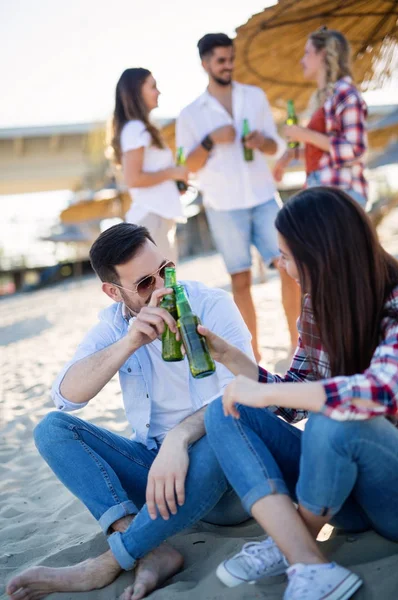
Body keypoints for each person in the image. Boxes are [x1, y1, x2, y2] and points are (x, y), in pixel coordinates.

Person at [6, 223, 254, 600]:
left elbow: (247, 391)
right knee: (51, 430)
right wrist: (130, 342)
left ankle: (112, 560)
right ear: (113, 292)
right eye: (144, 284)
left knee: (224, 427)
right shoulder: (114, 326)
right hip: (158, 477)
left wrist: (179, 439)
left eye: (166, 270)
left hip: (222, 473)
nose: (162, 288)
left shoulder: (210, 304)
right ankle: (151, 547)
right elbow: (66, 396)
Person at [201, 187, 398, 599]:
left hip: (392, 493)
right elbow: (295, 397)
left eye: (286, 255)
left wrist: (271, 395)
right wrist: (239, 364)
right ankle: (308, 561)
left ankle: (289, 545)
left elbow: (381, 391)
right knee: (225, 411)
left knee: (335, 415)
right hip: (339, 495)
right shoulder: (316, 307)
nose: (280, 264)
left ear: (321, 254)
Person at [176, 33, 300, 363]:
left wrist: (263, 141)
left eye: (231, 58)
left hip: (262, 196)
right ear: (205, 64)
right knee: (240, 279)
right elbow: (186, 166)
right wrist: (210, 140)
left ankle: (297, 345)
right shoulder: (190, 115)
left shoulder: (255, 97)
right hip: (222, 205)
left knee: (290, 268)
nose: (228, 65)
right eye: (220, 60)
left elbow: (277, 147)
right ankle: (253, 356)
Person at [274, 27, 368, 207]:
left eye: (307, 53)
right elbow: (325, 154)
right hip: (324, 189)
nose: (302, 61)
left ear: (323, 54)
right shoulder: (326, 98)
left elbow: (355, 151)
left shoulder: (345, 94)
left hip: (342, 194)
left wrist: (304, 134)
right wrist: (291, 154)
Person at [109, 68, 188, 264]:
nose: (158, 92)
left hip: (157, 217)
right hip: (152, 218)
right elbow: (134, 179)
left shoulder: (139, 128)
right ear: (137, 92)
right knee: (164, 287)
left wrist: (173, 183)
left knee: (165, 284)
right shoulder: (136, 129)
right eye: (153, 87)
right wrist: (172, 172)